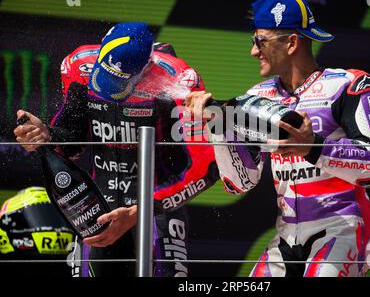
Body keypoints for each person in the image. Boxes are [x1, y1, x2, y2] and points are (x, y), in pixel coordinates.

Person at [186, 0, 370, 277]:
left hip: (341, 229)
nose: (253, 52)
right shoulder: (257, 98)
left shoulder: (348, 85)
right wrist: (217, 126)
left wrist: (313, 147)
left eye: (260, 41)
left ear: (291, 43)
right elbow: (241, 183)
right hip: (285, 237)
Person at [14, 23, 219, 276]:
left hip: (158, 209)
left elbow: (207, 166)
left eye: (119, 81)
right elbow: (73, 143)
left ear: (145, 68)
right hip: (98, 209)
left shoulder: (179, 80)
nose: (107, 87)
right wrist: (46, 135)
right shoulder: (78, 65)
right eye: (104, 74)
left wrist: (143, 210)